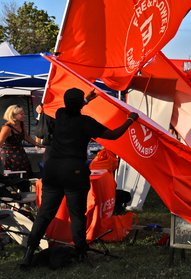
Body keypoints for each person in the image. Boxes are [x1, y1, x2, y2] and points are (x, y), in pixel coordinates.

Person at [20, 88, 139, 267]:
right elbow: (113, 135)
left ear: (66, 102)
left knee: (44, 214)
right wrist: (130, 119)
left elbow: (72, 108)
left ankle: (29, 252)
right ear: (79, 104)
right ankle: (81, 253)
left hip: (52, 169)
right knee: (77, 214)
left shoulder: (59, 114)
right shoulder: (86, 122)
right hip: (74, 171)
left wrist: (86, 100)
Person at [0, 105, 44, 181]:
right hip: (9, 157)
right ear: (13, 115)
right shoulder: (7, 128)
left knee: (24, 176)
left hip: (20, 154)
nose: (24, 115)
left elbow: (26, 137)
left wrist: (38, 144)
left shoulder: (21, 123)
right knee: (12, 178)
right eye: (21, 114)